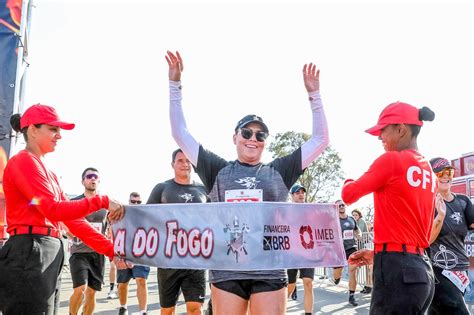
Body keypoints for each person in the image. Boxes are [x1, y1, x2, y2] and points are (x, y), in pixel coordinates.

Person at [166, 50, 329, 315]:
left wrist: (315, 95)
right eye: (247, 132)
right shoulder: (216, 169)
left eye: (261, 134)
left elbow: (320, 140)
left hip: (269, 268)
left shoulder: (279, 171)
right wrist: (175, 85)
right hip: (227, 270)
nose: (253, 138)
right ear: (235, 137)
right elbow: (179, 133)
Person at [0, 104, 126, 315]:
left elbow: (73, 221)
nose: (59, 136)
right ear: (32, 129)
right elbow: (53, 210)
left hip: (45, 251)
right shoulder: (24, 161)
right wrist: (101, 201)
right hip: (30, 251)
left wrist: (111, 250)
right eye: (53, 129)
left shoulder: (47, 171)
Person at [342, 101, 436, 314]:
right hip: (422, 271)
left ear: (401, 129)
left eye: (383, 130)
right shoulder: (428, 171)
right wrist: (380, 253)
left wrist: (347, 179)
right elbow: (412, 231)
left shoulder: (392, 160)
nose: (379, 137)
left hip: (398, 273)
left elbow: (348, 195)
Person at [147, 148, 210, 315]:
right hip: (168, 260)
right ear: (172, 164)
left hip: (196, 259)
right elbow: (144, 217)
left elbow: (216, 219)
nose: (185, 164)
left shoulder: (204, 190)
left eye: (188, 160)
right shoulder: (161, 188)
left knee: (195, 308)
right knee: (167, 310)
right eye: (180, 160)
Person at [428, 157, 474, 315]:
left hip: (461, 271)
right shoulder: (427, 204)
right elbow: (427, 240)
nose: (445, 176)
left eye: (449, 171)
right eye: (440, 173)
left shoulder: (463, 202)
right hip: (438, 270)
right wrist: (440, 217)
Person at [68, 167, 110, 315]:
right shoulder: (73, 202)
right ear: (82, 181)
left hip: (97, 254)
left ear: (99, 181)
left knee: (91, 293)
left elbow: (110, 227)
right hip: (79, 253)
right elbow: (63, 223)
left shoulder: (105, 205)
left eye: (95, 177)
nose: (92, 179)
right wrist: (70, 234)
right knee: (81, 289)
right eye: (89, 176)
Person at [117, 192, 150, 315]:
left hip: (141, 254)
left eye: (138, 202)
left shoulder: (146, 216)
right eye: (133, 201)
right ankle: (123, 307)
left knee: (141, 281)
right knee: (122, 284)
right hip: (124, 254)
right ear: (129, 201)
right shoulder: (121, 214)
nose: (136, 204)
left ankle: (143, 311)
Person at [286, 185, 315, 315]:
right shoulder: (285, 211)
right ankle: (282, 308)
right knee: (290, 286)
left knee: (308, 283)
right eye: (297, 192)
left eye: (303, 192)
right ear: (292, 196)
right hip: (291, 253)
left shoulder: (311, 210)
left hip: (308, 253)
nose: (301, 194)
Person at [333, 200, 361, 307]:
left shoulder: (351, 218)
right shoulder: (334, 220)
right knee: (337, 273)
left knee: (352, 271)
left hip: (351, 248)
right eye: (339, 205)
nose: (341, 207)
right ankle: (337, 278)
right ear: (336, 208)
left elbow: (357, 230)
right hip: (338, 250)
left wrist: (359, 234)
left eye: (342, 205)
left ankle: (352, 296)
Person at [351, 209, 372, 294]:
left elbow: (360, 234)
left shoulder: (361, 221)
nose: (354, 216)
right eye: (353, 215)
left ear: (359, 215)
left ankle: (368, 286)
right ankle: (366, 285)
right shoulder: (353, 222)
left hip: (365, 246)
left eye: (356, 215)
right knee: (359, 267)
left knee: (368, 267)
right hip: (360, 247)